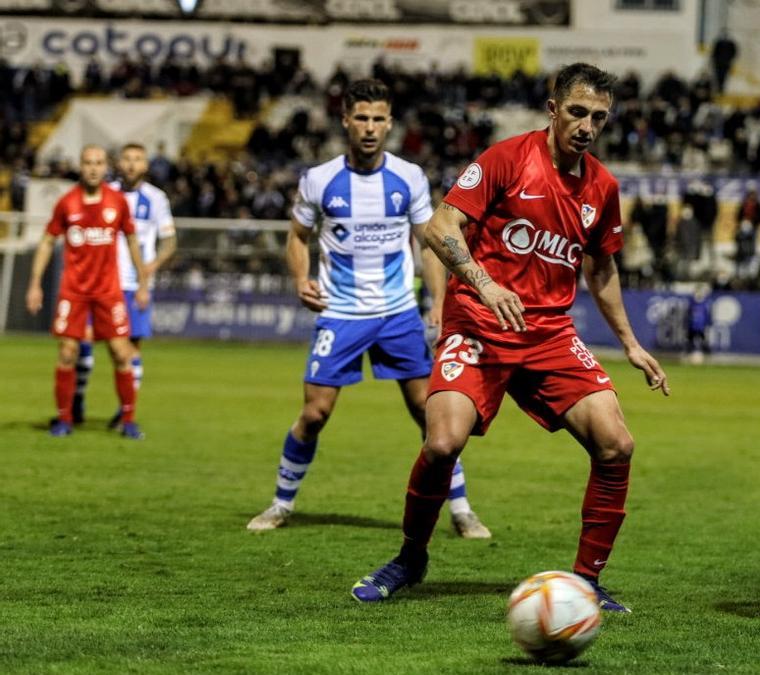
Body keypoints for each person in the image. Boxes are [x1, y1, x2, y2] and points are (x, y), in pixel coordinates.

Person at [350, 63, 669, 611]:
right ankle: (410, 557)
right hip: (479, 324)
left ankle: (587, 580)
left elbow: (602, 270)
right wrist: (484, 283)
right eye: (577, 112)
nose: (587, 126)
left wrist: (630, 343)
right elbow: (439, 227)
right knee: (442, 442)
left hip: (548, 335)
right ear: (552, 109)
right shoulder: (507, 159)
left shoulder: (603, 187)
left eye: (598, 117)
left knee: (617, 444)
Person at [246, 79, 490, 539]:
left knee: (430, 413)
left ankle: (461, 509)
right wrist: (301, 279)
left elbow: (430, 243)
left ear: (390, 123)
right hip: (340, 313)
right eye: (362, 118)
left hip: (398, 314)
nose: (370, 127)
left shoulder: (409, 177)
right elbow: (297, 236)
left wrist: (437, 303)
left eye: (379, 118)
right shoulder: (318, 179)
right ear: (345, 121)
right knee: (315, 413)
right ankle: (281, 503)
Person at [25, 145, 151, 439]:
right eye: (87, 163)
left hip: (108, 291)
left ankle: (128, 420)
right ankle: (64, 419)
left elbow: (132, 242)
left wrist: (143, 282)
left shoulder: (117, 202)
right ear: (80, 167)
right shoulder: (67, 203)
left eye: (98, 163)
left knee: (121, 352)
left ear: (106, 167)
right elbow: (46, 242)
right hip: (74, 292)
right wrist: (34, 283)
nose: (93, 168)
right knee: (67, 352)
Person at [70, 143, 176, 428]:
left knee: (131, 349)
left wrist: (149, 270)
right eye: (127, 159)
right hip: (101, 282)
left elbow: (169, 242)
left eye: (138, 159)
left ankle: (125, 412)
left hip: (134, 285)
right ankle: (77, 399)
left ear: (145, 165)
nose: (131, 164)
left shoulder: (156, 199)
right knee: (84, 340)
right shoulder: (106, 195)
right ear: (118, 163)